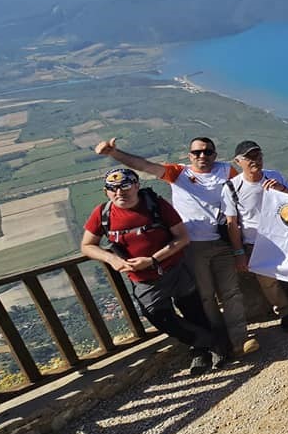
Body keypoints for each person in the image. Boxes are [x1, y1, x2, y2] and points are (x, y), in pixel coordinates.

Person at [95, 137, 258, 358]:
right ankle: (220, 341)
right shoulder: (179, 173)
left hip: (224, 241)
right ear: (190, 155)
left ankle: (239, 340)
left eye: (207, 152)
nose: (202, 156)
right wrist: (114, 153)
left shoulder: (226, 171)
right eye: (197, 152)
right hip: (192, 246)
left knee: (231, 292)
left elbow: (245, 191)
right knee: (206, 297)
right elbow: (144, 165)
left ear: (215, 155)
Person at [81, 168, 226, 374]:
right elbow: (87, 245)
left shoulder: (156, 205)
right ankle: (211, 342)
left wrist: (152, 260)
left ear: (136, 186)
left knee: (193, 310)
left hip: (174, 268)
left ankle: (203, 352)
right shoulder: (102, 214)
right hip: (142, 279)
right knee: (159, 317)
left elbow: (182, 237)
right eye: (112, 188)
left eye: (125, 186)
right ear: (106, 192)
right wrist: (111, 259)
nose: (119, 192)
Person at [222, 140, 288, 333]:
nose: (255, 160)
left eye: (258, 155)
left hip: (286, 238)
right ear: (238, 161)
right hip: (255, 243)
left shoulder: (275, 176)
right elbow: (232, 223)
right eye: (249, 157)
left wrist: (283, 190)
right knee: (268, 283)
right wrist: (239, 253)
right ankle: (285, 312)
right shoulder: (231, 188)